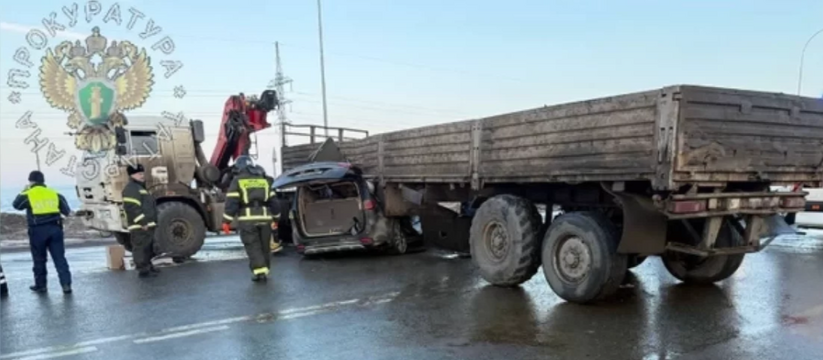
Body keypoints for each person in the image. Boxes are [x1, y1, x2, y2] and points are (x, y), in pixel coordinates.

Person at [12, 170, 73, 294]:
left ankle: (41, 286)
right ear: (43, 180)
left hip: (38, 230)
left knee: (39, 259)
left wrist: (24, 191)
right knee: (60, 258)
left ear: (31, 181)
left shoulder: (28, 193)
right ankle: (66, 285)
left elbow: (16, 205)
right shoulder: (54, 193)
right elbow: (67, 211)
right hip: (55, 229)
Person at [223, 156, 281, 282]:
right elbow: (274, 202)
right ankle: (265, 270)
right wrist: (276, 218)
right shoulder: (263, 180)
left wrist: (226, 221)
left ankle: (260, 272)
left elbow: (232, 202)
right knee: (264, 246)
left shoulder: (238, 180)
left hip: (248, 220)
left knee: (253, 245)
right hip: (265, 219)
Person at [122, 164, 160, 278]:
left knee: (147, 248)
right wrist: (142, 222)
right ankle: (143, 269)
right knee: (141, 248)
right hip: (140, 226)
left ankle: (148, 265)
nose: (142, 175)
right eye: (139, 174)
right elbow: (132, 207)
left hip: (147, 225)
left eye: (142, 173)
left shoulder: (140, 188)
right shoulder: (131, 189)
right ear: (132, 175)